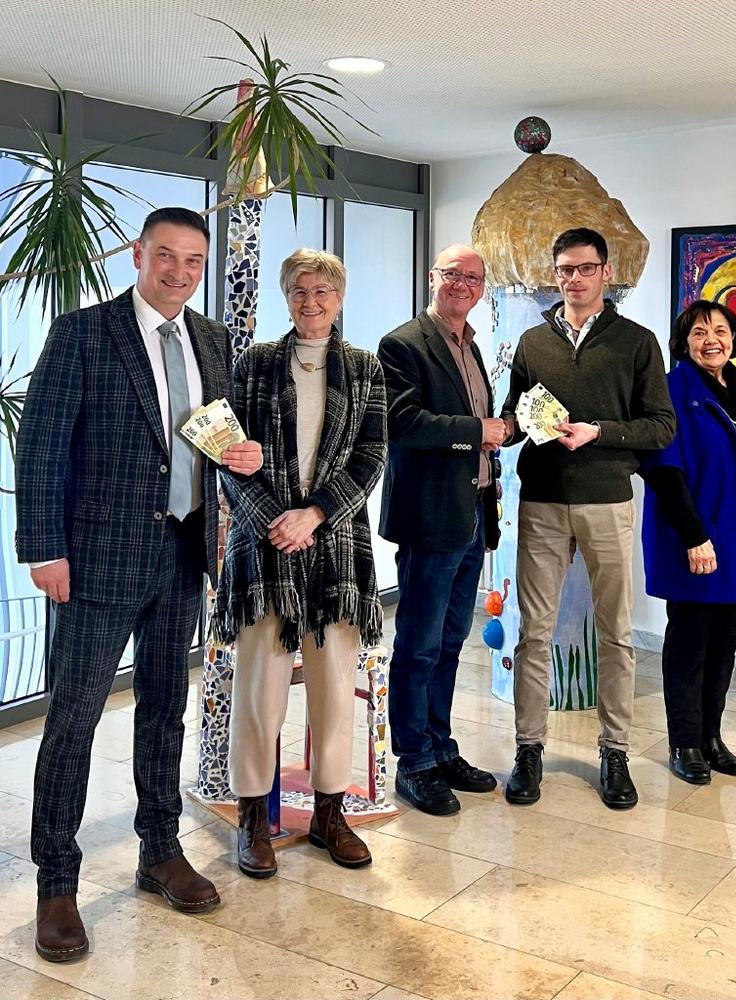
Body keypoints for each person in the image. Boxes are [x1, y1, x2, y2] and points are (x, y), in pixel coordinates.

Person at [15, 207, 263, 962]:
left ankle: (160, 850)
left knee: (164, 711)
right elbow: (41, 449)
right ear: (138, 254)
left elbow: (215, 432)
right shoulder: (83, 334)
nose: (179, 272)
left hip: (184, 555)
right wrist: (44, 550)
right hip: (97, 560)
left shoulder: (212, 339)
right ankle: (57, 883)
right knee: (74, 721)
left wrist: (243, 456)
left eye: (193, 261)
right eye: (166, 256)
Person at [211, 249, 387, 873]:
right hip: (264, 550)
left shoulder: (365, 369)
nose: (311, 302)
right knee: (259, 691)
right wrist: (274, 521)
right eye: (299, 291)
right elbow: (226, 454)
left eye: (322, 292)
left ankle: (329, 816)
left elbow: (372, 456)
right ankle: (253, 819)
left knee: (334, 690)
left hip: (336, 546)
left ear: (340, 298)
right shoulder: (254, 364)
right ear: (286, 297)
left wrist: (314, 516)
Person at [500, 227, 675, 810]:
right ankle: (528, 749)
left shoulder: (637, 342)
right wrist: (510, 427)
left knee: (616, 633)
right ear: (555, 275)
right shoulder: (532, 342)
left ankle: (615, 752)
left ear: (606, 272)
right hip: (542, 502)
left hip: (608, 501)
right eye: (564, 270)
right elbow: (515, 414)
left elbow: (661, 427)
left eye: (585, 268)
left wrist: (599, 432)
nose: (573, 279)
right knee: (534, 633)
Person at [641, 299, 736, 784]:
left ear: (735, 339)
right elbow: (663, 468)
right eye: (700, 332)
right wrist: (694, 536)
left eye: (721, 331)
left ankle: (711, 737)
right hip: (696, 536)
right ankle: (684, 742)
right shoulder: (673, 389)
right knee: (690, 642)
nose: (712, 341)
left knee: (725, 641)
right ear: (684, 341)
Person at [378, 244, 501, 816]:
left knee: (451, 641)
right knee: (419, 644)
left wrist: (502, 431)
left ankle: (441, 746)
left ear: (481, 288)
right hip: (429, 517)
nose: (462, 284)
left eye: (472, 278)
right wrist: (478, 430)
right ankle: (414, 761)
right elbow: (403, 422)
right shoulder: (403, 344)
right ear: (433, 278)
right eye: (453, 274)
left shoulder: (470, 345)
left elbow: (479, 427)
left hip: (471, 512)